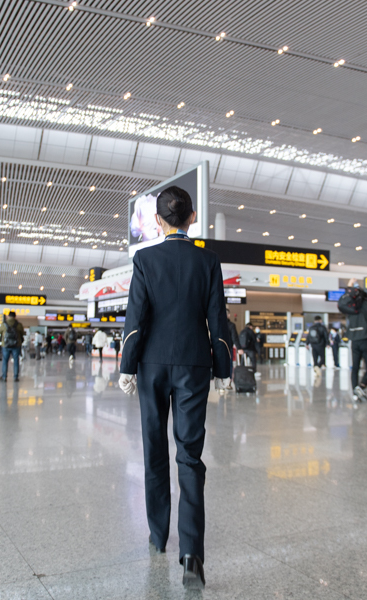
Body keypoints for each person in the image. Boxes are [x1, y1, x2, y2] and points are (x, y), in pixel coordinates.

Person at [118, 185, 231, 589]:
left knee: (154, 449)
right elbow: (218, 318)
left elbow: (136, 316)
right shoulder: (208, 260)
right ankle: (192, 555)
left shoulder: (145, 259)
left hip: (151, 365)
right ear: (192, 217)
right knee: (190, 456)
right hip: (194, 364)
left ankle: (156, 534)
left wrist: (127, 366)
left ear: (157, 221)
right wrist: (224, 369)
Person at [338, 279, 367, 401]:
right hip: (366, 338)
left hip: (354, 340)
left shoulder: (351, 307)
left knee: (355, 367)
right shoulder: (366, 304)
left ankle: (355, 392)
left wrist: (349, 287)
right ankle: (361, 386)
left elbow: (343, 302)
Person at [0, 312, 25, 381]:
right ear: (15, 316)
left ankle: (4, 377)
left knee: (5, 360)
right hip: (16, 345)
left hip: (6, 345)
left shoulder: (4, 324)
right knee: (16, 360)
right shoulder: (19, 324)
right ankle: (15, 377)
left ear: (8, 316)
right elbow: (22, 333)